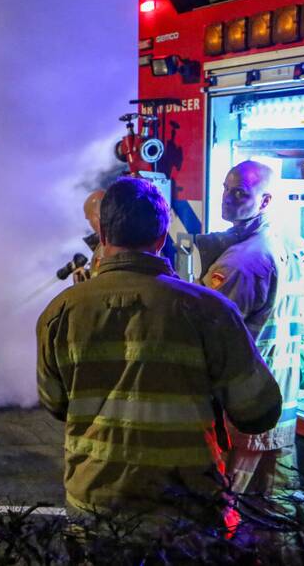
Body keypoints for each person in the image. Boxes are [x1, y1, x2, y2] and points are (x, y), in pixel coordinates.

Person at [36, 176, 281, 519]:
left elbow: (55, 402)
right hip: (186, 508)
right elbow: (259, 411)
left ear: (104, 236)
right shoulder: (211, 310)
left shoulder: (60, 313)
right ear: (162, 237)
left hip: (95, 501)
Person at [196, 160, 303, 515]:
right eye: (226, 189)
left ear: (266, 200)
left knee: (227, 511)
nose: (228, 199)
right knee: (277, 516)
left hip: (245, 410)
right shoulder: (284, 245)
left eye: (240, 193)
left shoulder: (243, 263)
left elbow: (207, 336)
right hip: (281, 406)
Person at [73, 189, 105, 283]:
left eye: (89, 218)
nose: (90, 223)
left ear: (97, 215)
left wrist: (82, 286)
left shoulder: (109, 246)